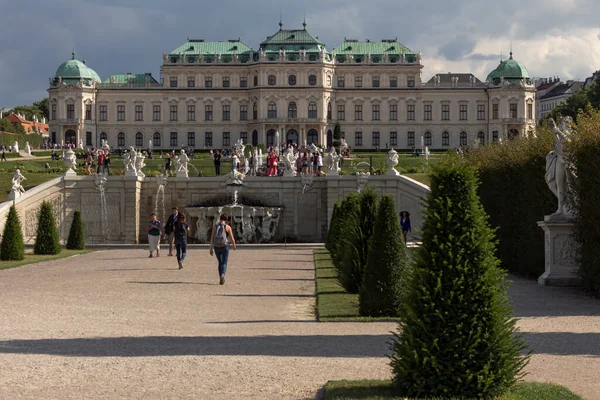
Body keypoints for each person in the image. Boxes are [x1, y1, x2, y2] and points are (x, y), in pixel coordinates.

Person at [210, 214, 237, 285]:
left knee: (220, 262)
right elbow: (231, 237)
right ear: (226, 220)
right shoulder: (227, 227)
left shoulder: (215, 226)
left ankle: (220, 277)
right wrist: (234, 245)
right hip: (224, 246)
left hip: (216, 246)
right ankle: (223, 274)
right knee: (224, 262)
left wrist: (211, 248)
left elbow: (212, 237)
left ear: (220, 219)